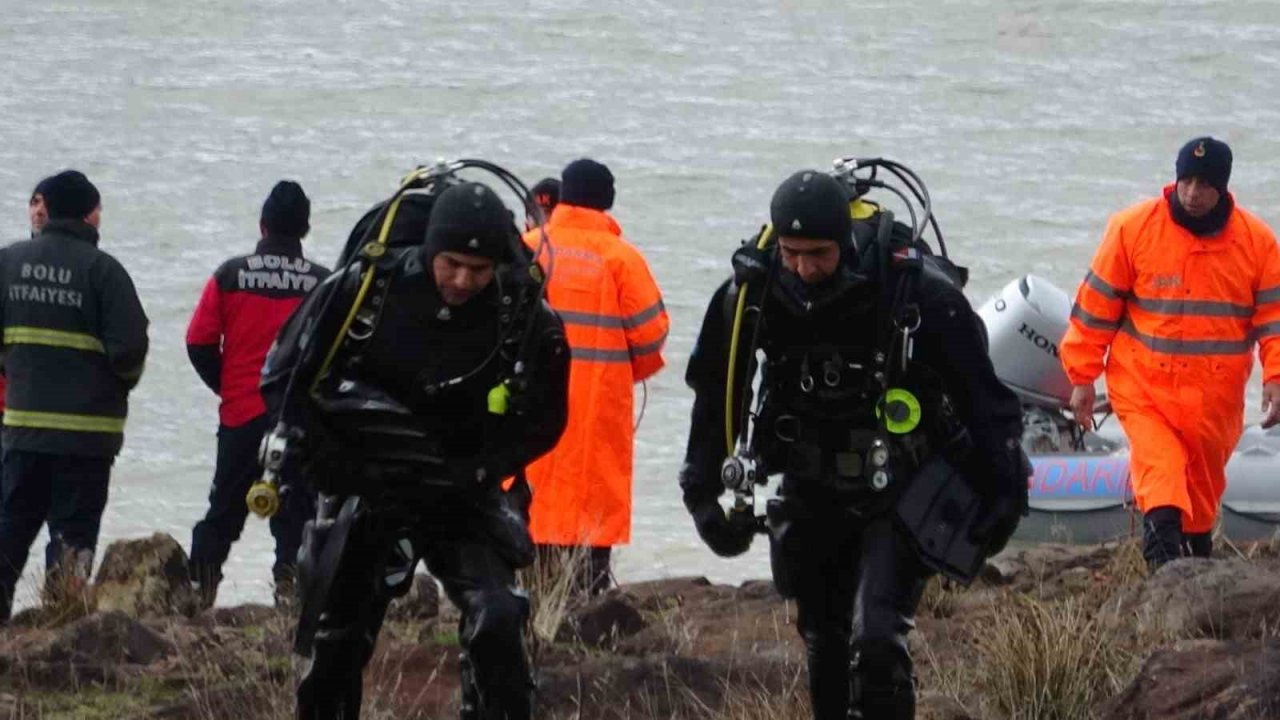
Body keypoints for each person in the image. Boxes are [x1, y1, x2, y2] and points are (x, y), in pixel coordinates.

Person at [680, 167, 1026, 719]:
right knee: (824, 639)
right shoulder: (753, 292)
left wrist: (1007, 488)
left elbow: (983, 399)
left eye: (817, 253)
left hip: (898, 486)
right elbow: (715, 387)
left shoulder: (913, 292)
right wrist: (700, 491)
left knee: (879, 641)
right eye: (791, 253)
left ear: (842, 240)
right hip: (809, 483)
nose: (803, 267)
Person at [261, 170, 570, 718]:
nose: (462, 279)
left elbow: (545, 420)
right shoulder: (366, 291)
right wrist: (331, 465)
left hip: (462, 485)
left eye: (478, 269)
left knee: (497, 615)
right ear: (429, 250)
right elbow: (285, 382)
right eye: (450, 263)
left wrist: (479, 471)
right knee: (337, 632)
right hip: (371, 480)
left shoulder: (519, 312)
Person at [1062, 136, 1280, 568]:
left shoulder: (1257, 243)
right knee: (1160, 470)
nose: (1193, 193)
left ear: (1223, 189)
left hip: (1214, 397)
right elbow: (1095, 310)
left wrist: (1275, 377)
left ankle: (1196, 564)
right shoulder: (1132, 229)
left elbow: (1273, 321)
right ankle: (1160, 570)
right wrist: (1082, 377)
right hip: (1144, 386)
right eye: (1187, 180)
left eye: (1204, 184)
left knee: (1200, 498)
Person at [0, 170, 149, 623]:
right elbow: (130, 351)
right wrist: (116, 384)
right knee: (73, 538)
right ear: (88, 214)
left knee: (9, 531)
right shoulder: (105, 271)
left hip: (23, 432)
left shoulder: (8, 262)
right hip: (87, 438)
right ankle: (61, 627)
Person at [522, 158, 669, 596]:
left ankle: (527, 597)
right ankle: (588, 599)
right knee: (592, 501)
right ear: (607, 202)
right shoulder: (620, 258)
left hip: (528, 400)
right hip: (597, 404)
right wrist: (624, 372)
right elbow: (651, 332)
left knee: (529, 495)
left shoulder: (525, 246)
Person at [185, 180, 330, 608]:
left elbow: (198, 342)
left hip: (242, 414)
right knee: (299, 515)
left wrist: (227, 386)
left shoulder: (230, 275)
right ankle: (291, 594)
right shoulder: (323, 284)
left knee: (224, 510)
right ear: (304, 229)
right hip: (300, 419)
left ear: (262, 225)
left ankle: (200, 590)